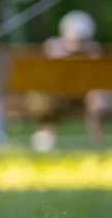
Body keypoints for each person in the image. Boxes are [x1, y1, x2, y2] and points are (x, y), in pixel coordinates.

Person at [30, 10, 102, 151]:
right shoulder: (91, 51)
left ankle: (46, 137)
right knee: (50, 99)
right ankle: (97, 139)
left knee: (92, 97)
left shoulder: (54, 48)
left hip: (77, 96)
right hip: (61, 97)